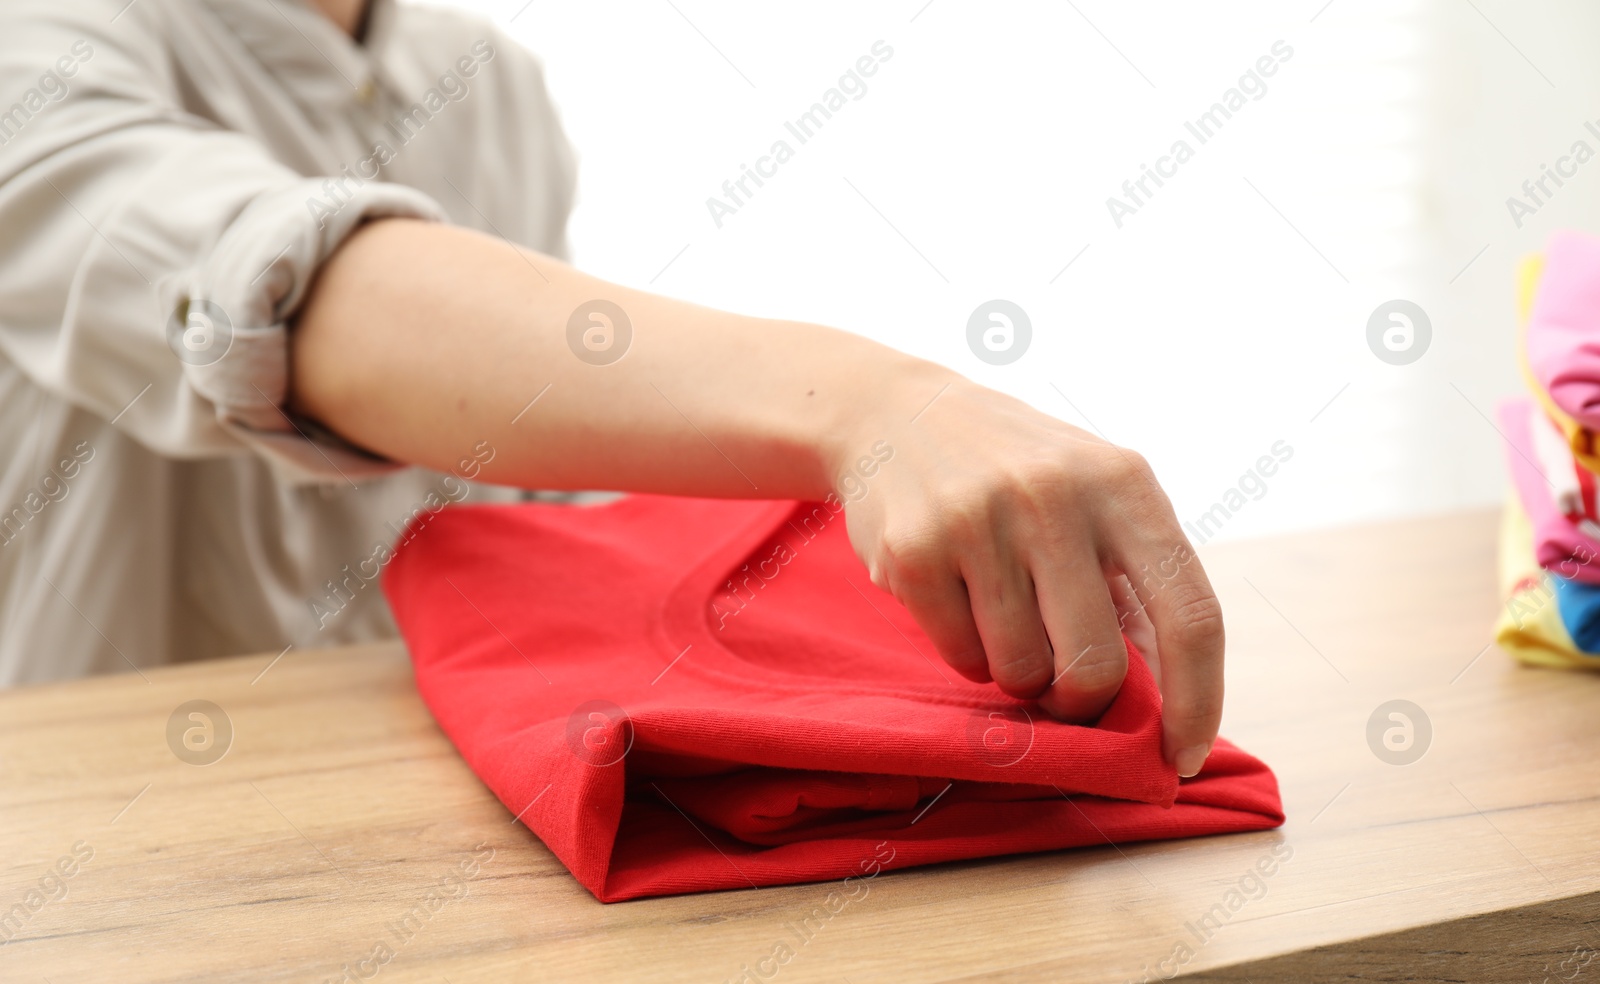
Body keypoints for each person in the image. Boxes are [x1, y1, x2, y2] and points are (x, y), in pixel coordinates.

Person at [0, 0, 1224, 777]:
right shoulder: (37, 48)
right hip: (105, 861)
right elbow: (278, 299)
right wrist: (865, 406)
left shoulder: (482, 81)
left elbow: (526, 473)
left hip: (444, 818)